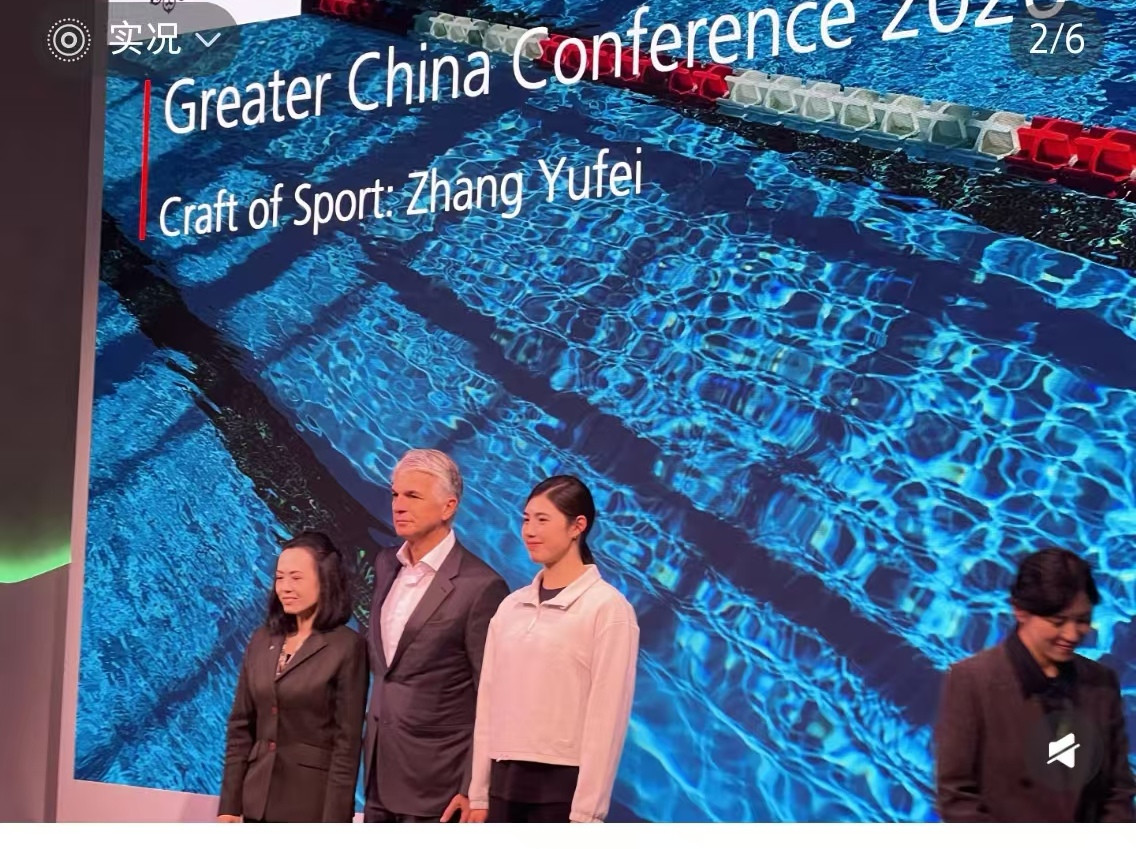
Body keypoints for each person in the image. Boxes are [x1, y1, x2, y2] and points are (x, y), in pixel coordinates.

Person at [468, 475, 639, 823]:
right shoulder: (511, 607)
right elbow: (488, 703)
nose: (530, 531)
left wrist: (587, 813)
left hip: (560, 791)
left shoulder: (607, 609)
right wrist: (479, 794)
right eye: (526, 519)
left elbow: (607, 718)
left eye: (542, 520)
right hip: (502, 785)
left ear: (577, 526)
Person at [935, 547, 1136, 822]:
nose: (1072, 634)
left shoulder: (1102, 683)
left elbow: (1117, 790)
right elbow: (956, 796)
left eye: (1082, 620)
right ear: (1020, 611)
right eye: (1058, 622)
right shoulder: (972, 681)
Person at [363, 449, 509, 822]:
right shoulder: (386, 564)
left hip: (440, 790)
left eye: (413, 496)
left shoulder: (481, 586)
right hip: (378, 775)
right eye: (395, 494)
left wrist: (473, 788)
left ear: (448, 507)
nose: (398, 505)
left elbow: (494, 696)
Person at [217, 531, 368, 822]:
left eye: (296, 578)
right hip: (255, 803)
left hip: (309, 807)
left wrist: (335, 822)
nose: (285, 587)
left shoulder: (347, 646)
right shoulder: (261, 640)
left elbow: (346, 745)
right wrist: (229, 806)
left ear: (325, 580)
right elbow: (240, 728)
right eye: (280, 578)